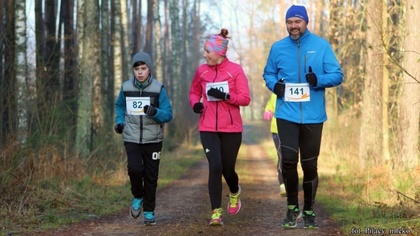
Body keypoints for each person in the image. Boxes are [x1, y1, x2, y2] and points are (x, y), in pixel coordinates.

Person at [263, 5, 343, 229]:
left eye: (297, 21)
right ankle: (291, 207)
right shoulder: (278, 48)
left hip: (313, 116)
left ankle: (308, 209)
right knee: (288, 161)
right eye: (290, 22)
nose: (293, 26)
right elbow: (268, 73)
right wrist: (275, 85)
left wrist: (317, 80)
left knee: (310, 166)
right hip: (286, 113)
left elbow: (337, 75)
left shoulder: (321, 46)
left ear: (305, 22)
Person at [189, 28, 251, 226]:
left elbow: (245, 99)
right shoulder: (202, 71)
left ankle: (234, 192)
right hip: (207, 127)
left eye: (208, 51)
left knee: (228, 170)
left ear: (219, 53)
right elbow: (193, 93)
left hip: (231, 129)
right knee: (215, 167)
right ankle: (216, 212)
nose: (204, 54)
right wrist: (195, 104)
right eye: (205, 51)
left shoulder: (235, 70)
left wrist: (226, 96)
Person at [114, 51, 173, 226]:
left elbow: (168, 114)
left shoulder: (158, 89)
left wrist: (154, 112)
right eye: (137, 69)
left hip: (153, 139)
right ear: (133, 70)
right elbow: (119, 106)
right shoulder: (126, 88)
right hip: (131, 136)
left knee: (151, 176)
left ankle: (149, 211)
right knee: (134, 169)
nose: (140, 72)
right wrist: (119, 122)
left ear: (149, 69)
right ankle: (137, 195)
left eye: (143, 68)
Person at [263, 93, 286, 196]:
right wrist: (268, 111)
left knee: (291, 156)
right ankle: (282, 184)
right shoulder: (275, 93)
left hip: (292, 128)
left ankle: (288, 180)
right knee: (281, 155)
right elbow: (270, 106)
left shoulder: (295, 90)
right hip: (276, 129)